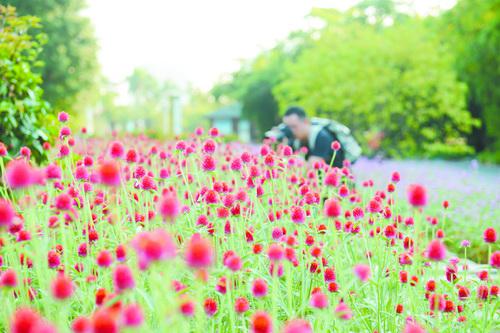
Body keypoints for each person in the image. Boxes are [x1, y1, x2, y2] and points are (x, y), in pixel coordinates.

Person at [266, 106, 361, 167]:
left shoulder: (322, 136)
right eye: (288, 127)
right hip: (319, 187)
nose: (291, 131)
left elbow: (311, 167)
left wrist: (285, 160)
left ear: (306, 121)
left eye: (294, 126)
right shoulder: (296, 139)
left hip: (339, 183)